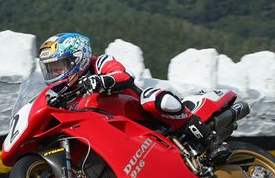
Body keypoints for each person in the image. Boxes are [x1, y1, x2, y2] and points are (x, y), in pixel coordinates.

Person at [36, 32, 219, 153]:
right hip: (114, 136)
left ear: (77, 58)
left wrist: (102, 80)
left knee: (154, 99)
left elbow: (123, 75)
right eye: (51, 69)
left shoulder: (99, 63)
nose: (55, 73)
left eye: (58, 67)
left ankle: (211, 142)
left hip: (139, 112)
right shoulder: (67, 95)